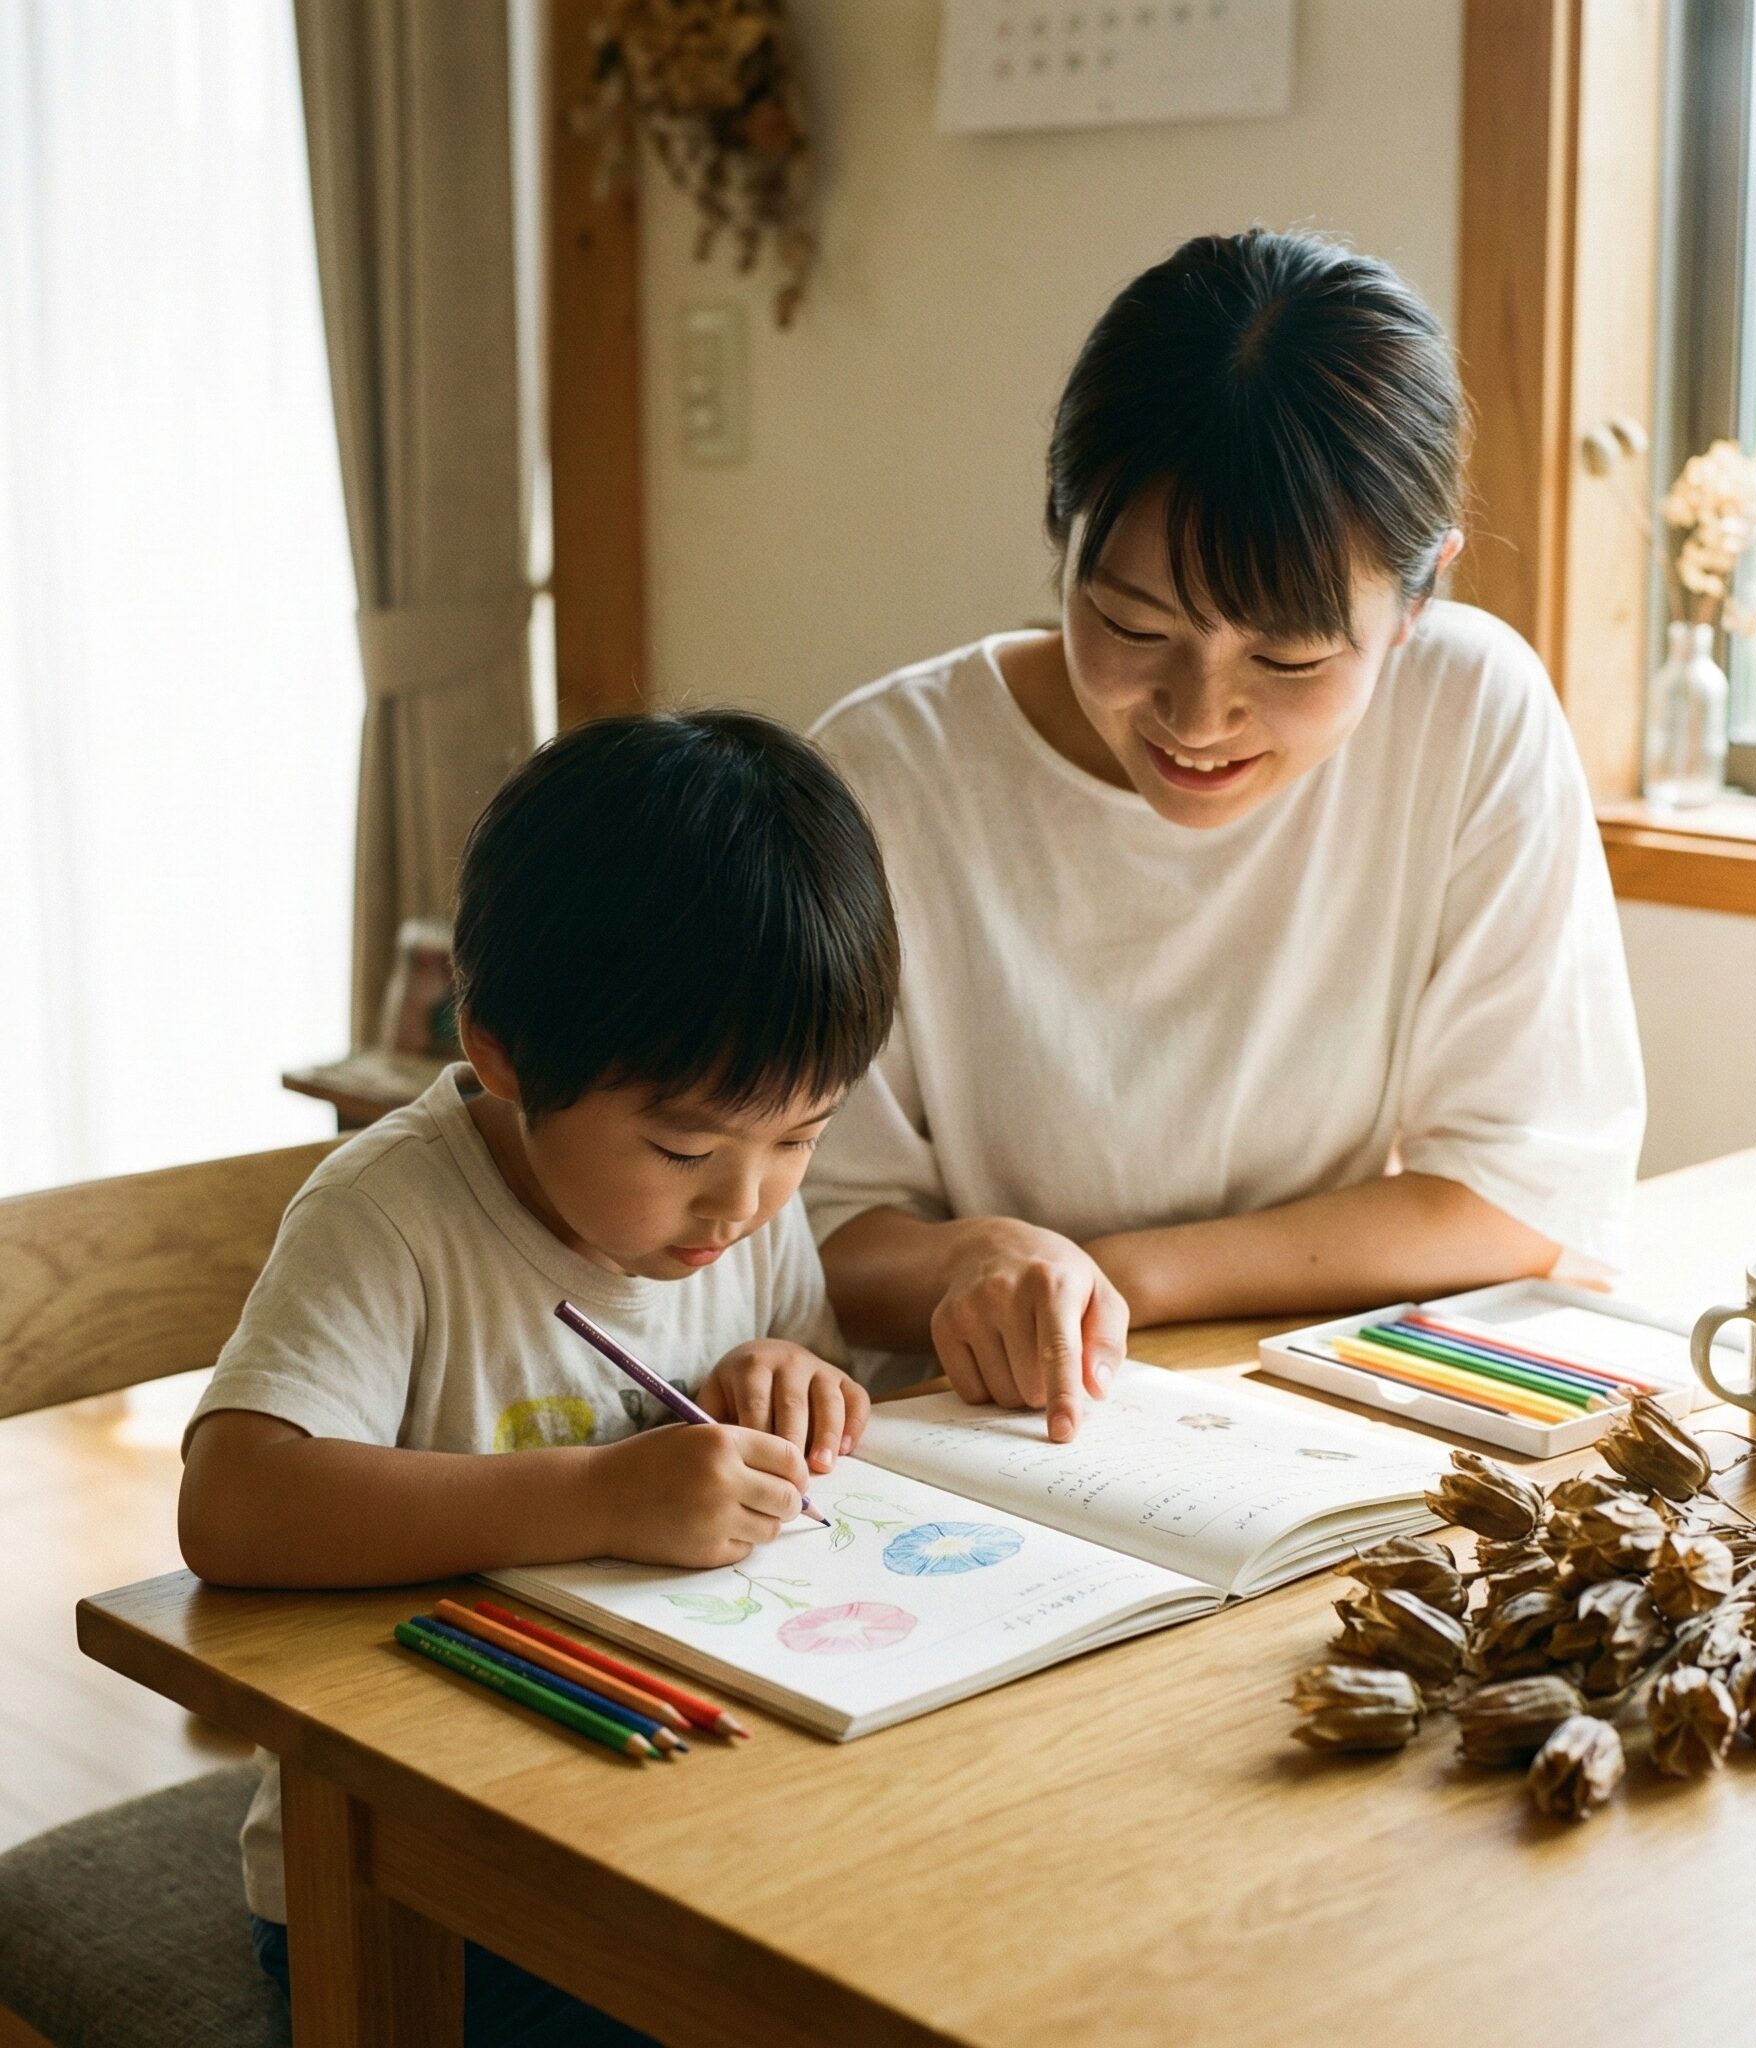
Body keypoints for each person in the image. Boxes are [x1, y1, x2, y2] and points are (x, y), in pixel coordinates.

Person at [808, 227, 1646, 1444]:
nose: (1198, 718)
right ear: (1063, 529)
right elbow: (799, 1225)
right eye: (1132, 625)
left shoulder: (1467, 710)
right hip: (982, 1430)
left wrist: (1115, 1275)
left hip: (1301, 1403)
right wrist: (967, 1263)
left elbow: (1520, 1193)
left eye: (1286, 657)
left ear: (1417, 596)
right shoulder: (886, 773)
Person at [178, 710, 899, 2045]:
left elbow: (796, 1397)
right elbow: (233, 1503)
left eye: (802, 1136)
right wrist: (599, 1498)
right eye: (683, 1150)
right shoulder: (390, 1217)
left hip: (679, 1799)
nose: (745, 1200)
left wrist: (793, 1376)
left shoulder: (743, 1196)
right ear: (504, 1049)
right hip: (412, 1871)